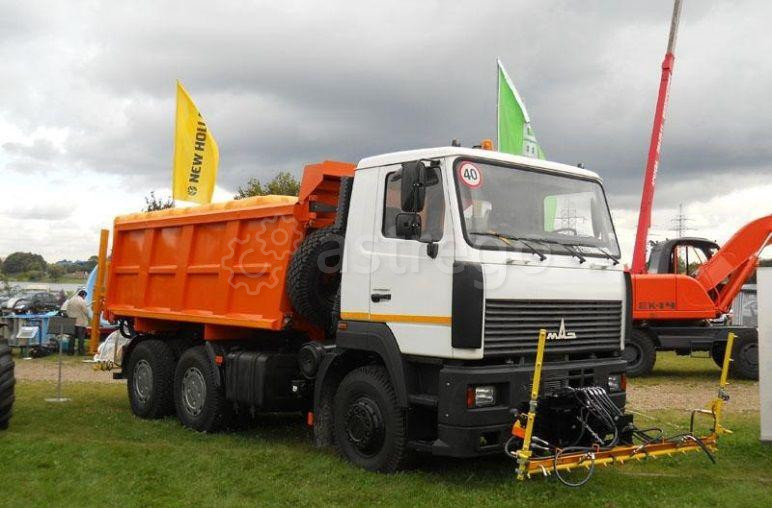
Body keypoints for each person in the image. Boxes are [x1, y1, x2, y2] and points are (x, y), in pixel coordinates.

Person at [64, 288, 89, 356]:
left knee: (72, 338)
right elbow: (86, 312)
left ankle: (70, 352)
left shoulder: (71, 300)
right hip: (80, 322)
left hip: (72, 321)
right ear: (83, 295)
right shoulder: (82, 301)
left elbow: (67, 310)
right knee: (81, 338)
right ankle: (81, 352)